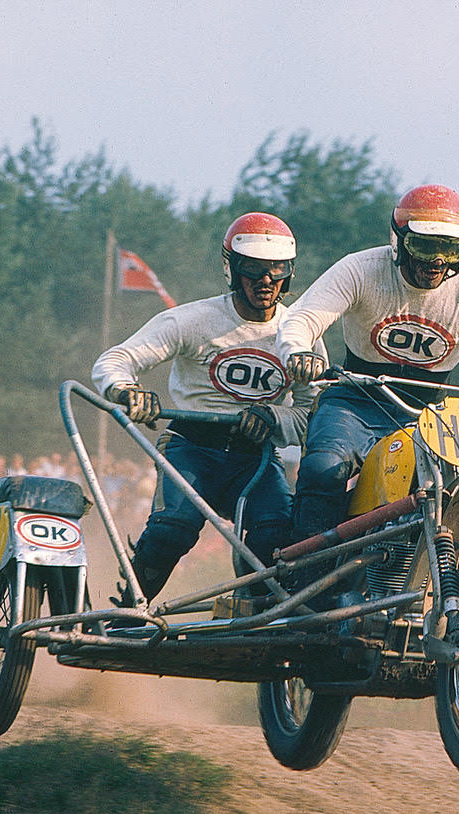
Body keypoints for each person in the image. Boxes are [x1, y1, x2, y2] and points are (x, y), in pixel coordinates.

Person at [274, 184, 459, 543]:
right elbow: (302, 318)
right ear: (399, 241)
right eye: (426, 245)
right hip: (354, 402)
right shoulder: (361, 270)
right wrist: (298, 351)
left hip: (430, 416)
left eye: (451, 248)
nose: (438, 260)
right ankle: (306, 583)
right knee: (322, 470)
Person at [92, 212, 327, 602]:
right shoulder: (193, 319)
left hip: (256, 458)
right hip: (191, 448)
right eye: (253, 269)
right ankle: (130, 608)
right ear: (231, 269)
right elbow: (114, 361)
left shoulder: (302, 334)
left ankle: (255, 616)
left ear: (289, 273)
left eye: (276, 270)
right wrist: (126, 391)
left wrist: (272, 417)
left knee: (277, 540)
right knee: (174, 527)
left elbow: (312, 414)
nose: (265, 281)